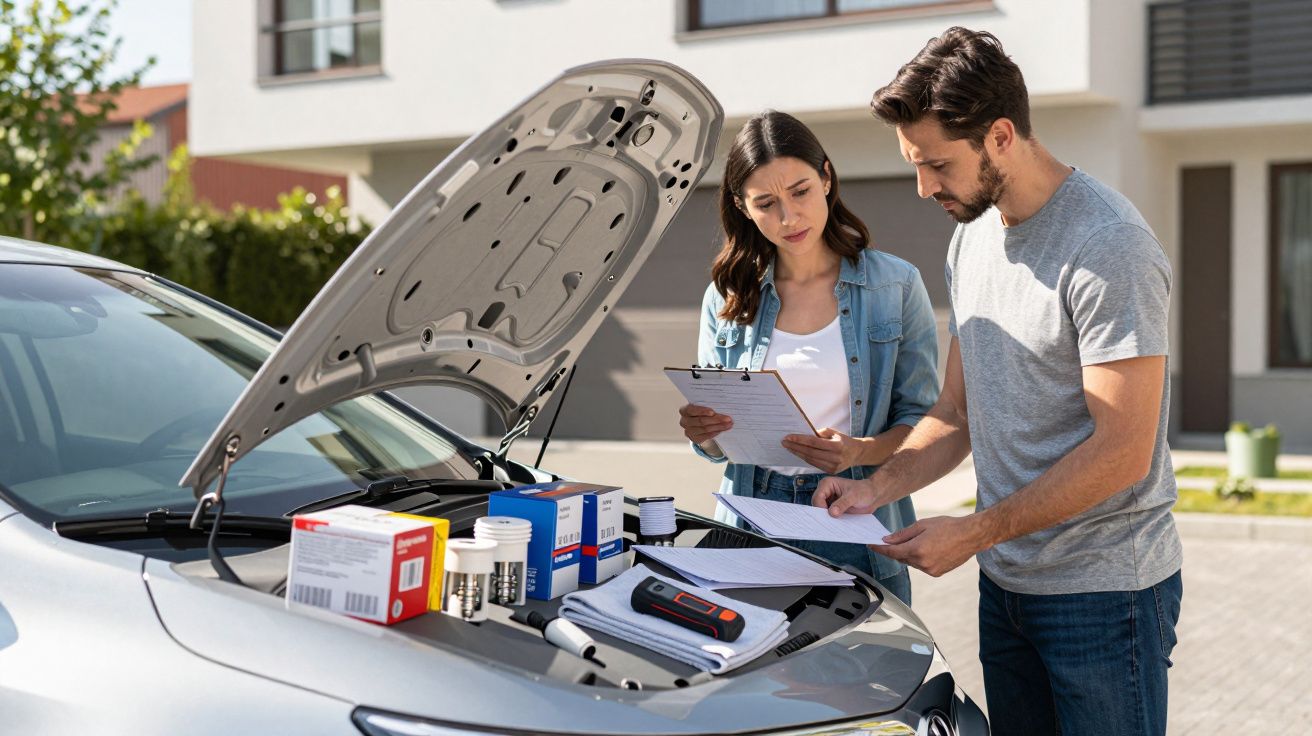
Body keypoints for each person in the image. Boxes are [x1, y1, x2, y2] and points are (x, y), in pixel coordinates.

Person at [812, 28, 1183, 736]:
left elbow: (1122, 453)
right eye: (915, 165)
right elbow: (955, 410)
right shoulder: (972, 236)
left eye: (936, 165)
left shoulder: (1109, 247)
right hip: (1007, 587)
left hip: (1104, 597)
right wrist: (876, 487)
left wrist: (975, 531)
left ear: (1002, 136)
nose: (923, 188)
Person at [679, 110, 939, 605]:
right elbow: (718, 446)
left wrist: (859, 451)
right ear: (743, 207)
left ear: (826, 177)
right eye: (766, 203)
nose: (788, 218)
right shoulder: (727, 296)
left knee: (868, 674)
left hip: (854, 518)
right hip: (752, 520)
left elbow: (924, 422)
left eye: (799, 191)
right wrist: (706, 437)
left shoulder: (895, 285)